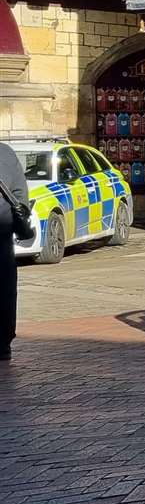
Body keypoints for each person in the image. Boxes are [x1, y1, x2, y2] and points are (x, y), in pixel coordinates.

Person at [0, 142, 28, 362]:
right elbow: (20, 195)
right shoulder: (6, 152)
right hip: (3, 231)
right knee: (5, 288)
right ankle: (3, 343)